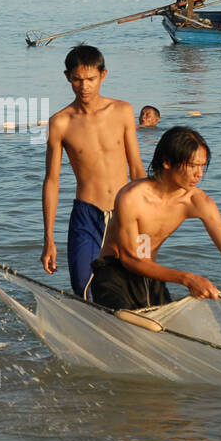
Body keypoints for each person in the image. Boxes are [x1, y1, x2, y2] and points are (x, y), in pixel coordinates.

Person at [87, 126, 221, 341]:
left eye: (202, 166)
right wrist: (188, 279)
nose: (199, 174)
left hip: (152, 278)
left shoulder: (198, 202)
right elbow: (130, 260)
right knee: (128, 333)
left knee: (169, 340)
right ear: (167, 162)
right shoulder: (131, 197)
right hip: (113, 275)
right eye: (192, 166)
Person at [41, 45, 146, 298]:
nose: (84, 86)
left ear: (103, 75)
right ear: (67, 77)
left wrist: (146, 218)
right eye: (77, 79)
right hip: (86, 213)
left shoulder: (122, 111)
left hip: (126, 212)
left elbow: (136, 168)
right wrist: (48, 239)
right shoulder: (60, 122)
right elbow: (52, 181)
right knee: (83, 286)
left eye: (90, 79)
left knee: (137, 286)